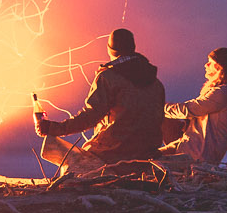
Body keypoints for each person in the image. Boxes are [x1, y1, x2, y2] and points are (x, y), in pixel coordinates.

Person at [35, 28, 165, 174]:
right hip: (147, 154)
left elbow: (90, 117)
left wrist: (53, 128)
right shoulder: (156, 82)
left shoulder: (108, 78)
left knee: (65, 157)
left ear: (111, 51)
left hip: (114, 154)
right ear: (133, 48)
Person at [163, 47, 227, 166]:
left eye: (210, 62)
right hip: (187, 146)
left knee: (149, 163)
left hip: (198, 157)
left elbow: (189, 109)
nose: (206, 65)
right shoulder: (219, 91)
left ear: (219, 67)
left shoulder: (223, 93)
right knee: (159, 120)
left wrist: (159, 108)